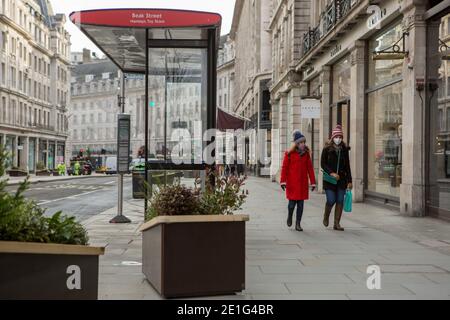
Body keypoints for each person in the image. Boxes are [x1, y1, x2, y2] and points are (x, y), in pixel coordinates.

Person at [280, 130, 316, 231]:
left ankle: (298, 224)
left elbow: (310, 169)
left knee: (300, 205)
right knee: (291, 205)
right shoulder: (289, 154)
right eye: (300, 143)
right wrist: (283, 181)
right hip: (292, 184)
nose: (302, 144)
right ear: (296, 143)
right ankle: (290, 216)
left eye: (303, 142)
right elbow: (284, 168)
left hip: (302, 184)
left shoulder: (306, 154)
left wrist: (313, 182)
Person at [320, 125, 352, 231]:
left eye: (340, 137)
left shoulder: (344, 150)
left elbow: (347, 166)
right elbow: (323, 164)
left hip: (341, 180)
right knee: (331, 199)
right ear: (332, 137)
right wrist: (331, 173)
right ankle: (326, 215)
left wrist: (350, 181)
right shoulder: (326, 149)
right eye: (336, 137)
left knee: (340, 200)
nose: (338, 139)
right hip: (330, 180)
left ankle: (336, 223)